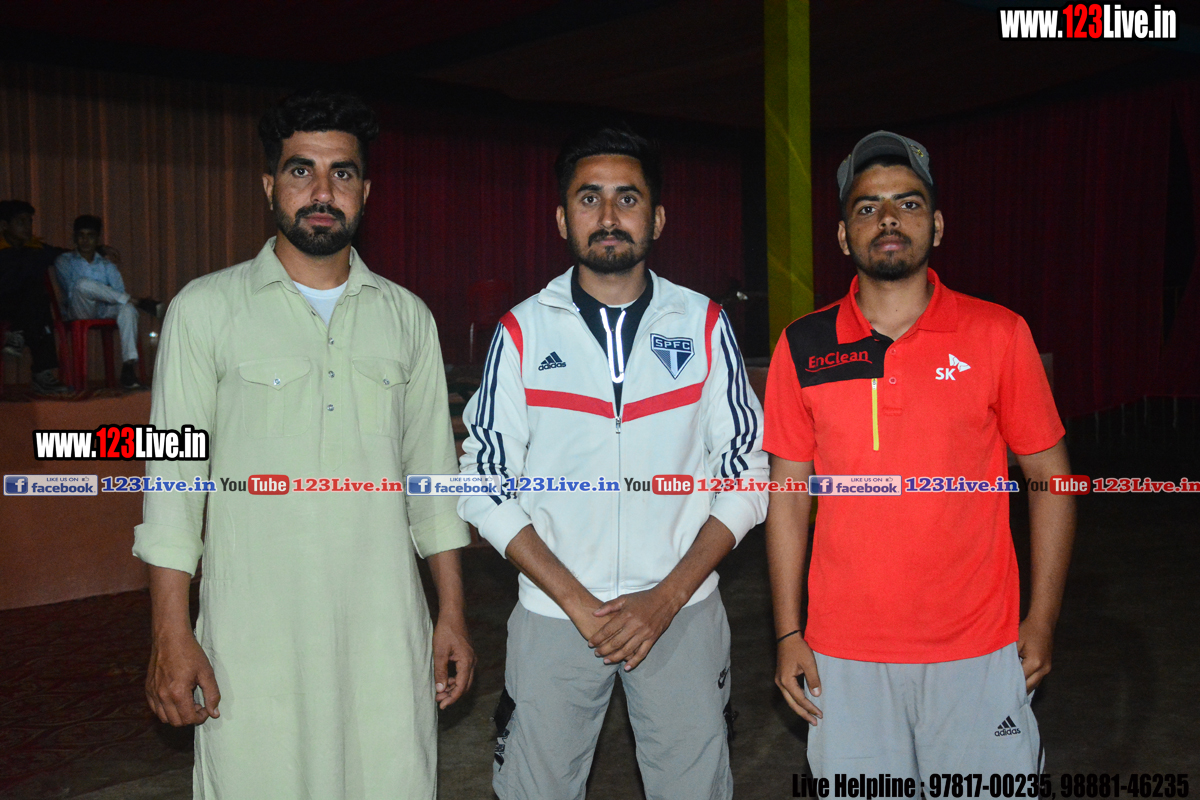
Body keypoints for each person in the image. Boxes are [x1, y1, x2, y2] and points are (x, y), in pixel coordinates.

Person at [133, 89, 475, 799]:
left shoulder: (407, 318)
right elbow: (172, 486)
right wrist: (170, 632)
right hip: (252, 637)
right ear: (269, 186)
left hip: (385, 633)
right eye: (301, 171)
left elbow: (434, 485)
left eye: (342, 173)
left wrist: (452, 613)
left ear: (365, 192)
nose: (323, 191)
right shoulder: (206, 310)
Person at [458, 123, 767, 800]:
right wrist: (576, 600)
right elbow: (482, 485)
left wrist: (667, 597)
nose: (607, 215)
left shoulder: (704, 324)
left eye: (627, 198)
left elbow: (747, 475)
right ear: (561, 218)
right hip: (554, 614)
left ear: (656, 218)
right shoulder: (521, 331)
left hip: (681, 612)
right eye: (588, 197)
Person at [764, 131, 1076, 782]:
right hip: (843, 654)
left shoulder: (999, 333)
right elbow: (788, 501)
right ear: (844, 236)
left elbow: (1051, 479)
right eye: (867, 206)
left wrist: (1042, 620)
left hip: (979, 647)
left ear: (936, 226)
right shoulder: (803, 346)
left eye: (908, 204)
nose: (888, 218)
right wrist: (789, 631)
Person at [55, 215, 164, 389]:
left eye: (90, 236)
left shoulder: (107, 265)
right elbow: (71, 290)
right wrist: (106, 293)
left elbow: (119, 294)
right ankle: (139, 302)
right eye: (81, 235)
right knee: (81, 284)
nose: (85, 240)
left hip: (104, 309)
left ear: (97, 239)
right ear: (75, 237)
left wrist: (114, 297)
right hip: (79, 308)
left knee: (128, 309)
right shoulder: (64, 261)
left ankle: (128, 367)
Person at [0, 200, 70, 394]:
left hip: (30, 306)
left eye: (29, 221)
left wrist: (99, 250)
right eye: (20, 222)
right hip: (3, 303)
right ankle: (41, 373)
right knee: (36, 302)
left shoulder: (36, 249)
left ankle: (18, 334)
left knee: (38, 304)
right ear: (4, 225)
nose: (27, 227)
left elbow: (66, 256)